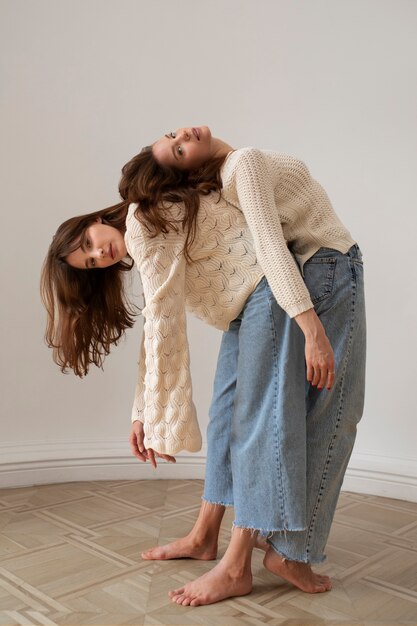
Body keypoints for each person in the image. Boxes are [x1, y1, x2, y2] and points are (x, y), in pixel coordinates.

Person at [41, 125, 366, 607]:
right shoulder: (140, 231)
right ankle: (204, 534)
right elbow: (157, 320)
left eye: (88, 241)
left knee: (260, 420)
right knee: (227, 418)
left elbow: (163, 327)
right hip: (245, 305)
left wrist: (151, 415)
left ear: (92, 221)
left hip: (267, 291)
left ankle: (236, 564)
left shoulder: (139, 222)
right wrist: (142, 411)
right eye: (90, 263)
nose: (98, 253)